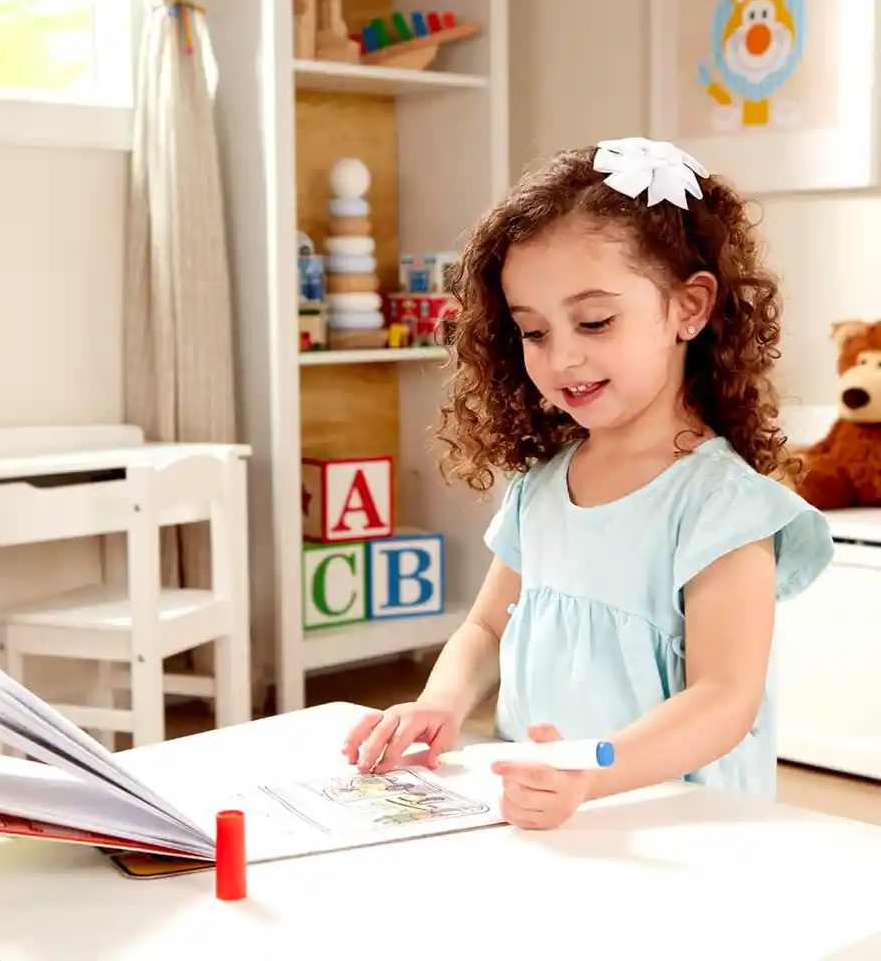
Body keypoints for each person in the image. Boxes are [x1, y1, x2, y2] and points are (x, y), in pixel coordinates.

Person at [341, 137, 834, 831]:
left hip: (681, 829)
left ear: (688, 307)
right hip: (549, 809)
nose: (562, 355)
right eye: (534, 331)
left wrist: (591, 770)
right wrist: (442, 700)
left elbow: (724, 699)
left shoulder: (725, 508)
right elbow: (488, 625)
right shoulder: (540, 486)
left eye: (594, 321)